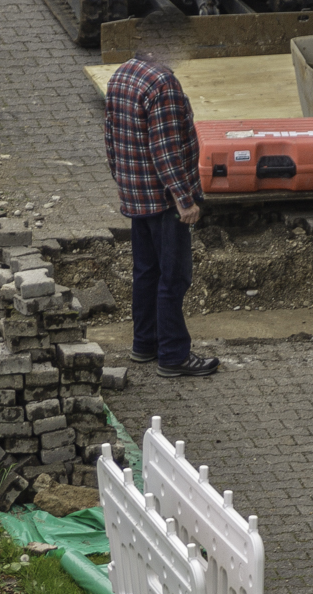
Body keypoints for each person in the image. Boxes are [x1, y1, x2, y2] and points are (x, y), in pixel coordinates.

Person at [103, 21, 219, 378]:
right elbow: (166, 150)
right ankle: (173, 355)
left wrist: (122, 181)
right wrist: (185, 200)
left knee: (146, 272)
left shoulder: (122, 75)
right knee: (174, 276)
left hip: (136, 196)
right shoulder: (162, 84)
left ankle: (144, 344)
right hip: (164, 200)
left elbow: (111, 138)